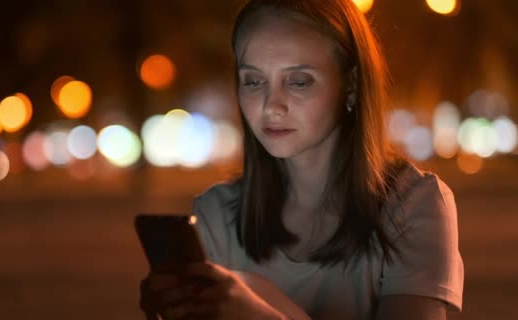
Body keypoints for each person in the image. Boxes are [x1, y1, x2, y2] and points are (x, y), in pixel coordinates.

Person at [139, 0, 464, 319]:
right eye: (253, 81)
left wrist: (260, 309)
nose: (271, 106)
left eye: (298, 82)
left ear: (350, 85)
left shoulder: (413, 205)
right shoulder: (214, 216)